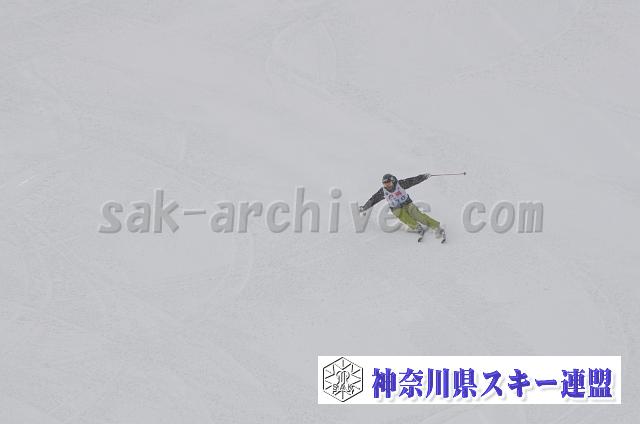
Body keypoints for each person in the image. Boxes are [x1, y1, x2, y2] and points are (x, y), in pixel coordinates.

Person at [359, 173, 445, 238]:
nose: (387, 186)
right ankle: (416, 227)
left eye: (389, 183)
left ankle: (436, 226)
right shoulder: (383, 191)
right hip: (396, 208)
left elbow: (413, 180)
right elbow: (373, 200)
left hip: (407, 203)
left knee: (417, 214)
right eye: (385, 184)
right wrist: (364, 208)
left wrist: (424, 176)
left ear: (393, 181)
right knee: (402, 215)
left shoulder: (400, 184)